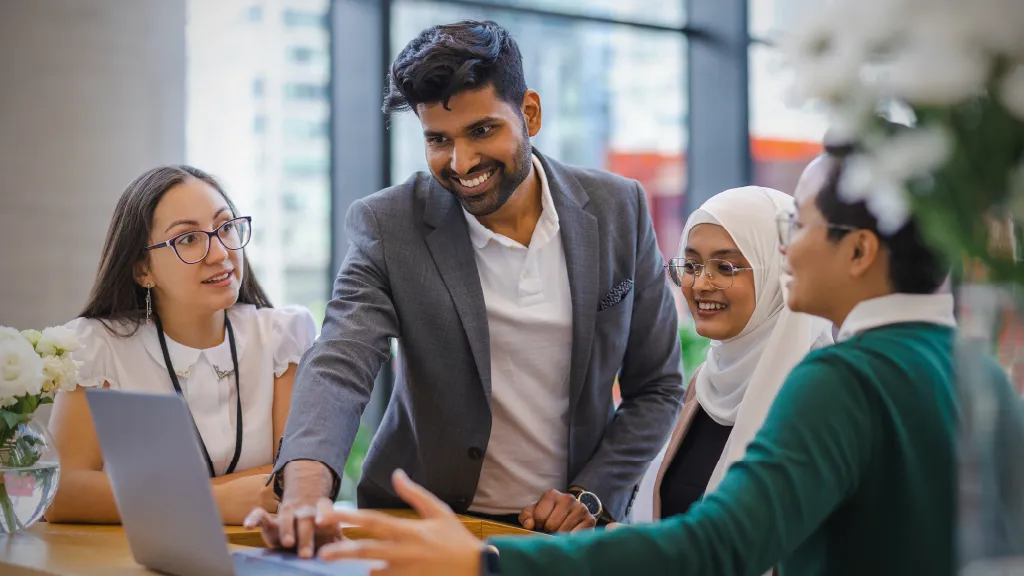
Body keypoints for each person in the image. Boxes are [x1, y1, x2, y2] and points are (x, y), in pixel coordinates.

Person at [310, 140, 982, 576]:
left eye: (797, 226)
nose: (787, 250)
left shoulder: (840, 380)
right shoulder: (973, 371)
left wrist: (488, 563)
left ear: (860, 252)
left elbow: (720, 546)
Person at [245, 19, 683, 553]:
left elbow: (657, 387)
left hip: (563, 536)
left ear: (530, 114)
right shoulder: (389, 226)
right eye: (438, 140)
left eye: (481, 131)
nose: (462, 163)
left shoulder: (620, 209)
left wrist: (591, 494)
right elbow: (340, 362)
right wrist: (306, 493)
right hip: (426, 523)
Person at [44, 165, 316, 525]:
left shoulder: (282, 337)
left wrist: (139, 495)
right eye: (188, 239)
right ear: (143, 269)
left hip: (260, 554)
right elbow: (63, 494)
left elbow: (295, 477)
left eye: (226, 227)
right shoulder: (98, 346)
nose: (220, 253)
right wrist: (213, 502)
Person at [633, 186, 832, 523]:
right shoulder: (708, 383)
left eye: (725, 267)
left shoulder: (818, 399)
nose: (699, 284)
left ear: (778, 274)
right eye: (692, 265)